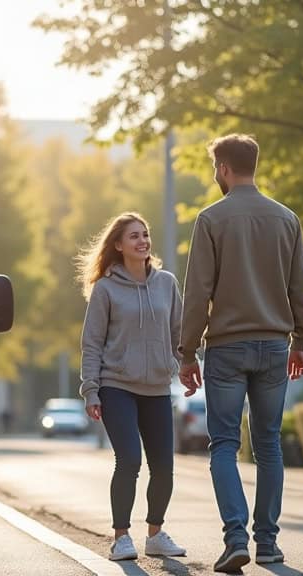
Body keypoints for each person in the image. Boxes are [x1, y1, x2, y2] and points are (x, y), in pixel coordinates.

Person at [178, 134, 303, 573]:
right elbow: (300, 288)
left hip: (227, 348)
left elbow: (198, 292)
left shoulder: (211, 219)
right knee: (268, 444)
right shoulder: (287, 219)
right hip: (275, 347)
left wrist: (187, 352)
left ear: (223, 168)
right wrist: (301, 341)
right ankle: (268, 544)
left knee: (224, 443)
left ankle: (235, 538)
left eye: (214, 168)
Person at [77, 212, 187, 562]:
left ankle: (155, 535)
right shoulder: (106, 288)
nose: (142, 241)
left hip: (157, 387)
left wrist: (186, 365)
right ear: (119, 245)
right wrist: (91, 389)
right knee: (129, 460)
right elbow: (92, 343)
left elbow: (179, 334)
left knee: (164, 466)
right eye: (134, 236)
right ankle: (121, 538)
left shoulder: (167, 283)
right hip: (117, 386)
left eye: (145, 234)